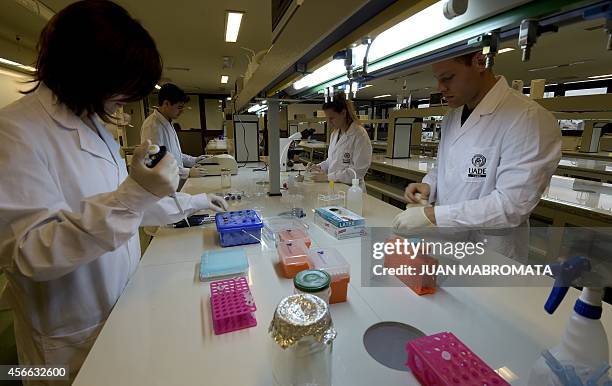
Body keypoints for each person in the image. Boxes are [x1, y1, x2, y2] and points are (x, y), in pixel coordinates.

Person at [0, 1, 227, 384]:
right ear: (89, 72)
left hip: (120, 307)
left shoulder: (93, 126)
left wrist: (195, 202)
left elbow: (126, 204)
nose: (123, 100)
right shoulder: (15, 132)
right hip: (65, 339)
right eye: (120, 88)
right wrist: (136, 194)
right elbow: (30, 252)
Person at [392, 51, 561, 259]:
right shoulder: (452, 116)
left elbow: (511, 206)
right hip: (447, 244)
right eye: (438, 79)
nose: (441, 88)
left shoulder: (527, 119)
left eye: (448, 78)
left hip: (493, 255)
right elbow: (445, 167)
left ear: (480, 62)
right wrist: (429, 185)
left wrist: (432, 215)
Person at [141, 83, 208, 178]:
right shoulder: (152, 126)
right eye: (179, 107)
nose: (182, 111)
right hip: (161, 185)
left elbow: (174, 155)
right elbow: (156, 161)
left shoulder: (167, 121)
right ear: (166, 104)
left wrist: (194, 160)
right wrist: (187, 172)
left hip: (172, 179)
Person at [307, 93, 372, 189]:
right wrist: (319, 167)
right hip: (335, 187)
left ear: (343, 113)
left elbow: (357, 171)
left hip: (351, 191)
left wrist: (328, 177)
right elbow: (331, 161)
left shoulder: (359, 135)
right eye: (327, 118)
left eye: (332, 118)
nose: (329, 122)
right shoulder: (335, 134)